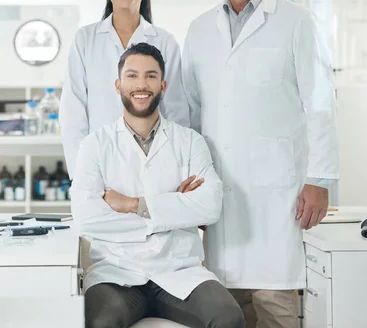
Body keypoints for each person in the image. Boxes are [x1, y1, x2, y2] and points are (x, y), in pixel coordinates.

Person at [181, 0, 340, 328]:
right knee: (227, 307)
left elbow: (320, 104)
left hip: (277, 193)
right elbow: (191, 112)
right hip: (218, 187)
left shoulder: (296, 22)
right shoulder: (199, 30)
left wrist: (319, 178)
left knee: (275, 303)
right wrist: (190, 182)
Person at [71, 43, 244, 328]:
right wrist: (173, 211)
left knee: (228, 318)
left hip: (179, 271)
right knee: (101, 322)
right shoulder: (95, 145)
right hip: (116, 273)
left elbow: (211, 205)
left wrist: (134, 205)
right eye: (132, 76)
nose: (142, 84)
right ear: (118, 85)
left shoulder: (189, 141)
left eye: (151, 76)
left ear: (162, 85)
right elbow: (87, 219)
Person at [60, 0, 189, 179]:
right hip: (98, 164)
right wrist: (83, 175)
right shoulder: (85, 40)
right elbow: (73, 111)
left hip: (154, 164)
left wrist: (178, 169)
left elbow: (176, 111)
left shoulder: (164, 41)